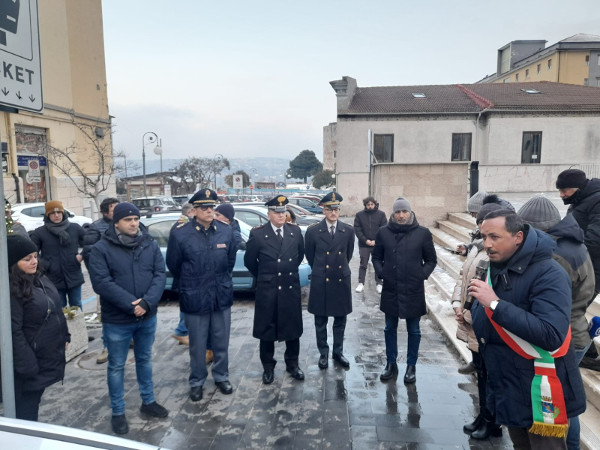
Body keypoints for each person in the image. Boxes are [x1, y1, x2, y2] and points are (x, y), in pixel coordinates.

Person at [470, 210, 586, 448]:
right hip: (510, 385)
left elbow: (550, 334)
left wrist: (495, 304)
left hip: (539, 391)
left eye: (494, 237)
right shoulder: (498, 265)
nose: (487, 244)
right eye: (484, 236)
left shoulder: (550, 273)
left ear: (518, 237)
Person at [518, 195, 595, 450]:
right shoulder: (575, 245)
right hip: (576, 328)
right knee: (567, 401)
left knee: (563, 404)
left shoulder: (554, 256)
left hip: (563, 337)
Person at [89, 202, 168, 435]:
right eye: (128, 220)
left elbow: (159, 274)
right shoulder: (101, 248)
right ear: (116, 223)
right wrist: (131, 305)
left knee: (144, 359)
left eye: (136, 219)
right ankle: (118, 412)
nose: (134, 223)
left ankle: (148, 401)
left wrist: (147, 303)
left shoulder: (149, 243)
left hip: (147, 316)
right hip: (117, 320)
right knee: (116, 366)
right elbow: (102, 282)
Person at [166, 189, 238, 402]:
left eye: (211, 207)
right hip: (195, 295)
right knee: (197, 344)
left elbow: (229, 262)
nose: (209, 211)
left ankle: (221, 376)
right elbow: (174, 264)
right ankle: (197, 381)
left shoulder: (225, 231)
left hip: (220, 295)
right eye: (204, 207)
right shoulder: (180, 233)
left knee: (221, 340)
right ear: (195, 210)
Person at [452, 202, 503, 439]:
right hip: (472, 317)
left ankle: (493, 421)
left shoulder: (495, 252)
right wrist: (458, 304)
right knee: (481, 373)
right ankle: (483, 415)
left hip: (485, 321)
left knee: (489, 375)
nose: (481, 225)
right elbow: (463, 277)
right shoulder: (476, 247)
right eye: (479, 221)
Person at [372, 197, 437, 384]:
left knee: (414, 329)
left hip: (413, 289)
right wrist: (382, 272)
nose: (401, 215)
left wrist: (421, 274)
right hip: (391, 288)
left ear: (410, 212)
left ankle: (411, 366)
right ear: (393, 213)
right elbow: (376, 257)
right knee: (389, 328)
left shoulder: (422, 233)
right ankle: (391, 363)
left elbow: (431, 260)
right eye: (398, 212)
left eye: (404, 212)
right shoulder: (383, 232)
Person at [7, 234, 70, 421]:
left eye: (35, 256)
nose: (34, 261)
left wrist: (65, 335)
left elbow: (56, 309)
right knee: (26, 412)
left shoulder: (39, 278)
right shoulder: (11, 290)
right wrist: (27, 365)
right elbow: (13, 331)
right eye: (27, 259)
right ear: (13, 262)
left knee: (33, 403)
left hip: (44, 357)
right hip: (29, 365)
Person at [244, 195, 306, 384]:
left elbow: (299, 256)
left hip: (289, 287)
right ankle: (268, 367)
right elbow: (250, 261)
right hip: (268, 288)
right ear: (269, 214)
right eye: (277, 212)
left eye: (283, 212)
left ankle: (293, 365)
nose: (281, 215)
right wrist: (265, 276)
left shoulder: (295, 232)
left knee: (292, 329)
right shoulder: (258, 234)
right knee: (266, 330)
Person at [556, 168, 600, 371]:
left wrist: (570, 251)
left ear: (578, 188)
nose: (561, 195)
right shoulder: (579, 201)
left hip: (592, 268)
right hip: (581, 263)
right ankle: (587, 352)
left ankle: (583, 352)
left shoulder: (596, 201)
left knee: (574, 309)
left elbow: (594, 239)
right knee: (574, 309)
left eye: (565, 190)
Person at [305, 192, 355, 369]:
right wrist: (320, 269)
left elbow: (348, 255)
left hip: (340, 279)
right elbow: (310, 256)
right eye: (329, 209)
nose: (333, 212)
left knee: (340, 320)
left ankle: (338, 352)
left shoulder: (348, 230)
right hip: (321, 280)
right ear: (323, 210)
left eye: (336, 209)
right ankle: (323, 353)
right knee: (321, 320)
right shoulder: (313, 231)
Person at [82, 197, 119, 364]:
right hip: (107, 281)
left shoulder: (125, 224)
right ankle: (107, 346)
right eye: (114, 210)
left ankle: (129, 340)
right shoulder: (95, 228)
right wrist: (100, 277)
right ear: (105, 212)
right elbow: (89, 254)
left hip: (124, 278)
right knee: (107, 314)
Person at [30, 200, 86, 309]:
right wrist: (46, 265)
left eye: (59, 212)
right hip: (52, 277)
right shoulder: (40, 232)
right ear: (47, 215)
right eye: (52, 213)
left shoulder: (75, 228)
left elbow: (90, 243)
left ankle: (78, 321)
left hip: (73, 274)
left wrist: (81, 256)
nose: (56, 215)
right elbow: (32, 252)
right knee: (58, 307)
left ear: (63, 213)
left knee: (77, 305)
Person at [171, 202, 194, 348]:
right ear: (191, 212)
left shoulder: (180, 224)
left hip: (182, 277)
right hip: (185, 276)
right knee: (188, 306)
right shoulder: (183, 226)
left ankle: (184, 332)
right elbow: (173, 259)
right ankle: (181, 331)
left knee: (185, 306)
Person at [353, 196, 387, 294]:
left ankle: (379, 283)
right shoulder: (359, 215)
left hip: (378, 244)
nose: (370, 206)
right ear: (365, 205)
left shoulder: (381, 214)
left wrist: (377, 241)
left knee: (378, 264)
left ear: (375, 204)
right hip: (364, 244)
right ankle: (361, 283)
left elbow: (384, 228)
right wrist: (365, 240)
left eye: (372, 204)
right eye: (368, 205)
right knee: (363, 264)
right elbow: (357, 229)